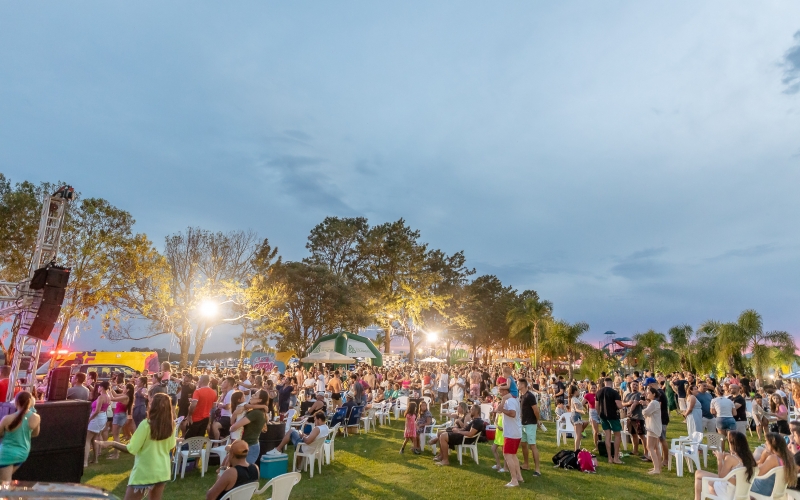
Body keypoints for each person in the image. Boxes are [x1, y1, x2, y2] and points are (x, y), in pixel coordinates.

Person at [95, 393, 176, 500]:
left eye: (150, 403)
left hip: (145, 472)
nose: (148, 405)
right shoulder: (171, 425)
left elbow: (131, 449)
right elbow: (171, 447)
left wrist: (112, 443)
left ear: (153, 407)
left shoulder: (146, 425)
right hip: (162, 471)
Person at [693, 431, 756, 500]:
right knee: (700, 475)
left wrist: (719, 459)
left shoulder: (730, 458)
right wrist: (729, 455)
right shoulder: (750, 458)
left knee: (699, 475)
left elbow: (721, 477)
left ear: (732, 444)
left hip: (728, 492)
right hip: (741, 491)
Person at [0, 392, 40, 480]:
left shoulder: (7, 419)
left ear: (16, 402)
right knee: (3, 481)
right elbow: (35, 434)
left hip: (6, 455)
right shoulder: (36, 417)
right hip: (22, 454)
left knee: (4, 484)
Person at [229, 389, 268, 465]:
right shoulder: (255, 411)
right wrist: (235, 413)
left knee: (242, 470)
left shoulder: (255, 413)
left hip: (250, 447)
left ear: (259, 400)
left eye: (255, 395)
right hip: (247, 446)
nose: (252, 395)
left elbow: (233, 427)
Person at [497, 386, 523, 487]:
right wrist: (503, 401)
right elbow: (499, 410)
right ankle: (519, 477)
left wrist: (503, 409)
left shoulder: (510, 401)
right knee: (513, 455)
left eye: (500, 391)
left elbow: (512, 413)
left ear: (505, 391)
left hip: (511, 433)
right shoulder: (512, 399)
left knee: (507, 455)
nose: (499, 394)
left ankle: (514, 480)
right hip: (514, 432)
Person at [596, 377, 623, 464]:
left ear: (604, 383)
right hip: (613, 416)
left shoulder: (598, 392)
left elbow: (596, 406)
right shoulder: (614, 392)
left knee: (607, 436)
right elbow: (619, 405)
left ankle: (609, 458)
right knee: (617, 435)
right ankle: (616, 457)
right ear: (611, 383)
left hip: (603, 416)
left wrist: (599, 414)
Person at [517, 379, 541, 476]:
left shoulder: (529, 396)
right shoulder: (521, 396)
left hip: (530, 423)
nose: (517, 385)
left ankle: (537, 469)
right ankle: (526, 464)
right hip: (523, 423)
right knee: (523, 444)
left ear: (523, 385)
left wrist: (538, 420)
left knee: (532, 445)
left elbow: (536, 410)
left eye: (518, 384)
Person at [85, 381, 111, 466]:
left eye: (99, 387)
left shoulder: (101, 397)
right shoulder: (108, 396)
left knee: (87, 439)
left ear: (102, 387)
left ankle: (85, 462)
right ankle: (95, 459)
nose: (98, 388)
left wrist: (89, 419)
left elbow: (97, 411)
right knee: (95, 438)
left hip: (97, 418)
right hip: (103, 417)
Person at [642, 386, 663, 475]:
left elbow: (646, 412)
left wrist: (643, 410)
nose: (647, 394)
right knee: (656, 447)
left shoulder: (653, 402)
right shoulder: (654, 402)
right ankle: (658, 467)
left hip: (653, 428)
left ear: (653, 394)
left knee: (650, 447)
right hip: (655, 427)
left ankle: (656, 469)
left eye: (649, 393)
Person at [622, 380, 646, 457]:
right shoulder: (628, 395)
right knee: (633, 434)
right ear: (630, 385)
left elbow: (635, 404)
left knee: (641, 435)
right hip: (630, 418)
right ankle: (635, 451)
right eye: (633, 384)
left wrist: (630, 412)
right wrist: (628, 403)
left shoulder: (638, 394)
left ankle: (646, 453)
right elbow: (622, 403)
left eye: (636, 385)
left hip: (638, 417)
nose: (635, 386)